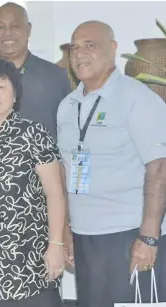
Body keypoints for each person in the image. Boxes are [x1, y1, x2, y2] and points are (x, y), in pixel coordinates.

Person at [59, 21, 166, 307]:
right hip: (84, 238)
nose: (80, 53)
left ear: (114, 49)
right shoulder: (67, 105)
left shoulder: (138, 98)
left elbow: (160, 168)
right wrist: (67, 229)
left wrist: (149, 237)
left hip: (129, 236)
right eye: (74, 47)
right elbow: (65, 170)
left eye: (90, 45)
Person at [0, 58, 67, 307]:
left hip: (27, 256)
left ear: (15, 94)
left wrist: (56, 245)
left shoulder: (33, 133)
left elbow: (55, 193)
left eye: (1, 87)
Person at [0, 2, 72, 140]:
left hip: (47, 161)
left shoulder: (55, 76)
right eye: (1, 27)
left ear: (28, 29)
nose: (7, 33)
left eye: (15, 26)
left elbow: (70, 131)